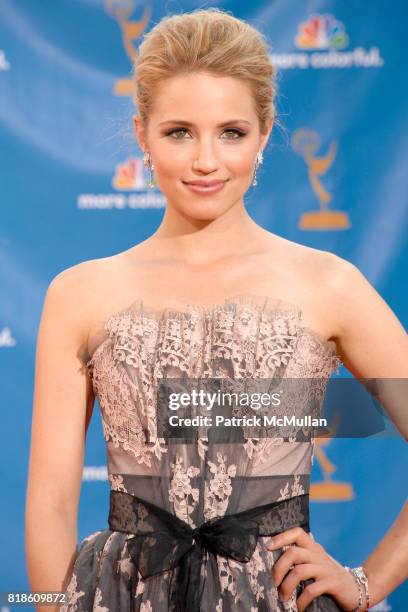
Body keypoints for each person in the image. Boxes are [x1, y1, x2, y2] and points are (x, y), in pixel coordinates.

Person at [25, 7, 408, 612]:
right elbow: (50, 500)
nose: (206, 161)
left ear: (264, 133)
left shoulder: (329, 284)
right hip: (118, 596)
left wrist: (368, 583)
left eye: (231, 132)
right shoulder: (80, 292)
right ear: (143, 134)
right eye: (180, 131)